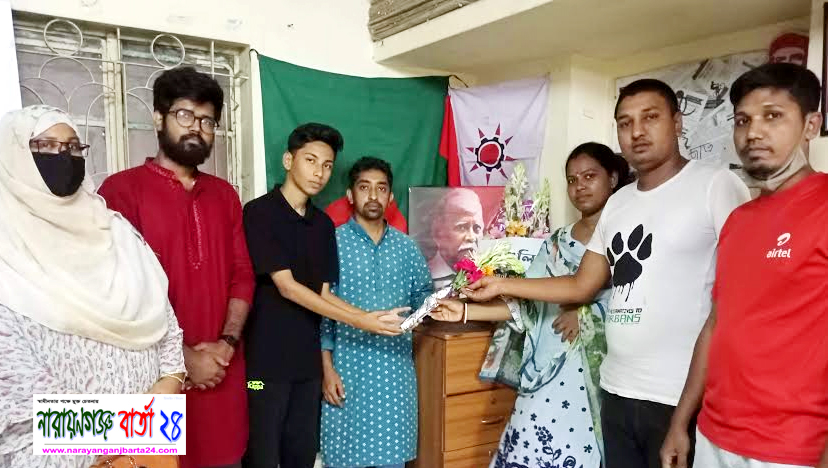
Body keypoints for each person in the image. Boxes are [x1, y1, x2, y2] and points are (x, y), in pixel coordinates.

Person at [450, 79, 751, 468]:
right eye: (625, 123)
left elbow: (740, 297)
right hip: (615, 388)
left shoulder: (715, 184)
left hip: (677, 394)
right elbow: (582, 285)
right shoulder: (620, 203)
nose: (637, 131)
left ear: (677, 123)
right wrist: (499, 283)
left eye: (650, 118)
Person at [661, 63, 828, 468]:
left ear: (811, 125)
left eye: (773, 116)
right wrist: (680, 422)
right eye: (742, 120)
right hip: (714, 436)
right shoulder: (739, 220)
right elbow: (717, 323)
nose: (753, 132)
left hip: (793, 448)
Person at [0, 105, 185, 468]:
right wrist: (130, 432)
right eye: (46, 146)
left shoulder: (117, 231)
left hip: (149, 449)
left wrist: (166, 392)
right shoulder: (7, 249)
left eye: (72, 147)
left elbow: (165, 325)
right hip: (60, 457)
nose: (63, 156)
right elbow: (15, 387)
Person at [433, 142, 631, 468]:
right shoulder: (556, 243)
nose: (579, 186)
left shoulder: (627, 236)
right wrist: (465, 311)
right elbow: (526, 305)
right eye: (572, 179)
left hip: (595, 379)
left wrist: (588, 313)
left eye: (589, 176)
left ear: (612, 178)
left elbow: (637, 302)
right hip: (543, 371)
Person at [98, 67, 255, 468]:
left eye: (207, 121)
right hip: (154, 377)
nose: (197, 128)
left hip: (222, 373)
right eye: (185, 115)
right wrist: (185, 359)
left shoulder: (224, 195)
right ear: (159, 118)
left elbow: (242, 275)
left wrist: (226, 344)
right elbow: (118, 292)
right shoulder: (120, 191)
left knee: (224, 458)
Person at [242, 125, 405, 468]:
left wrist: (368, 318)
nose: (319, 172)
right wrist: (361, 320)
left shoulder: (322, 225)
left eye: (327, 165)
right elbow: (287, 286)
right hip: (264, 367)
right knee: (262, 455)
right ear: (289, 160)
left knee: (301, 454)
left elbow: (323, 293)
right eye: (311, 160)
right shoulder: (259, 212)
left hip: (307, 365)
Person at [319, 157, 433, 468]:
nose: (373, 195)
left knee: (392, 459)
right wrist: (327, 369)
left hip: (395, 376)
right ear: (350, 195)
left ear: (390, 197)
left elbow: (424, 296)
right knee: (344, 457)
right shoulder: (332, 243)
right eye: (364, 187)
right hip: (347, 372)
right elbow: (322, 312)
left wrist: (433, 307)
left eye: (381, 188)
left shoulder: (407, 248)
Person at [428, 188, 484, 289]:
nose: (472, 237)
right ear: (438, 232)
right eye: (462, 227)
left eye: (477, 228)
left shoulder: (490, 275)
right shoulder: (424, 276)